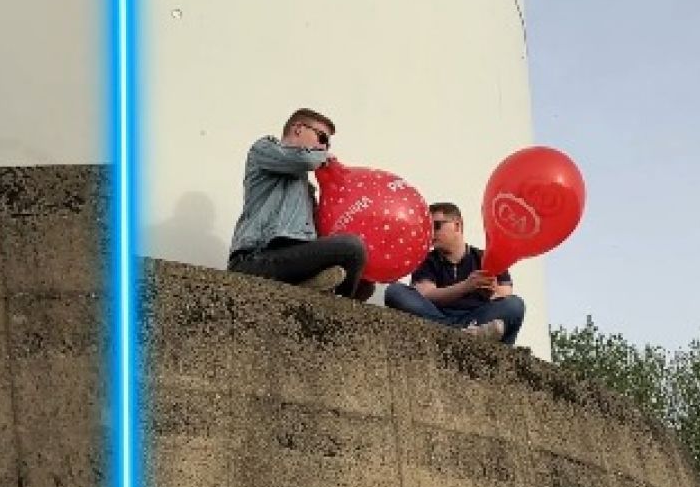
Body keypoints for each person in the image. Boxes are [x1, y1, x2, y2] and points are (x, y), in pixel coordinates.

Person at [225, 109, 369, 298]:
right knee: (352, 247)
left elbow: (318, 235)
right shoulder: (264, 149)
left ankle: (318, 293)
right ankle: (338, 303)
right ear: (298, 129)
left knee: (365, 282)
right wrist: (323, 158)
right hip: (254, 258)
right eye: (322, 138)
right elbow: (305, 159)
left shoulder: (306, 190)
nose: (324, 147)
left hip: (289, 257)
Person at [383, 203, 525, 344]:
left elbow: (505, 295)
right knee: (395, 291)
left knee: (515, 304)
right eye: (428, 228)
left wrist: (490, 293)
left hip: (477, 317)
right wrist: (466, 286)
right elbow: (426, 294)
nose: (431, 233)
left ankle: (453, 331)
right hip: (436, 314)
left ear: (457, 225)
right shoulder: (427, 260)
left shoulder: (487, 258)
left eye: (436, 226)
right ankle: (458, 332)